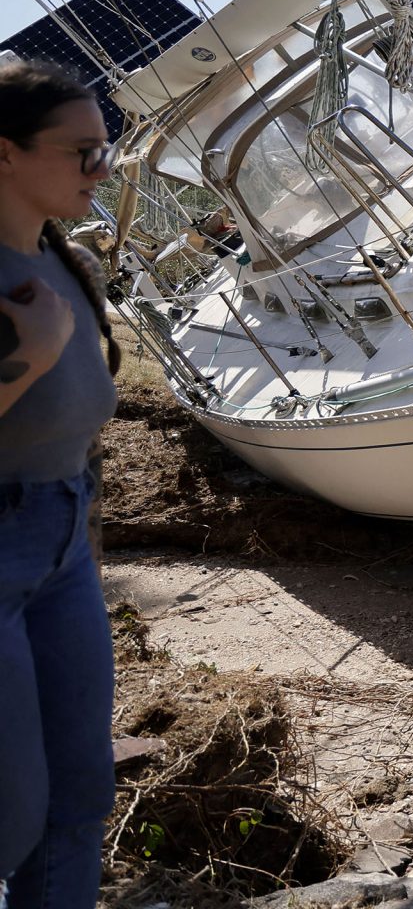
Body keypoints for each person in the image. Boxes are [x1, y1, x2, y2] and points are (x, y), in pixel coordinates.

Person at [1, 61, 123, 909]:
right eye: (82, 152)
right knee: (8, 814)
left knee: (81, 798)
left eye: (106, 152)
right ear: (5, 153)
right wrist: (32, 357)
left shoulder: (58, 259)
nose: (101, 171)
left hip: (61, 546)